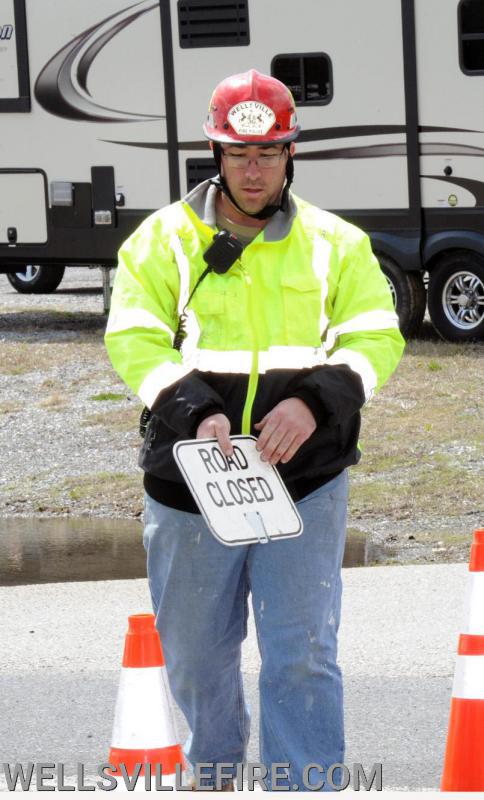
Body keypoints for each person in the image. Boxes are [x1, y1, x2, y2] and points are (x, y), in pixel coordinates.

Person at [105, 69, 405, 791]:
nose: (253, 169)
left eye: (268, 152)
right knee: (198, 656)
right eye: (239, 154)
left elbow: (377, 336)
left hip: (303, 480)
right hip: (191, 484)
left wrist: (313, 403)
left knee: (300, 652)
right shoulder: (163, 240)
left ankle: (304, 787)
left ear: (289, 153)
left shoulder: (335, 243)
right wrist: (194, 410)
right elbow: (132, 336)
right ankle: (214, 776)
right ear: (216, 153)